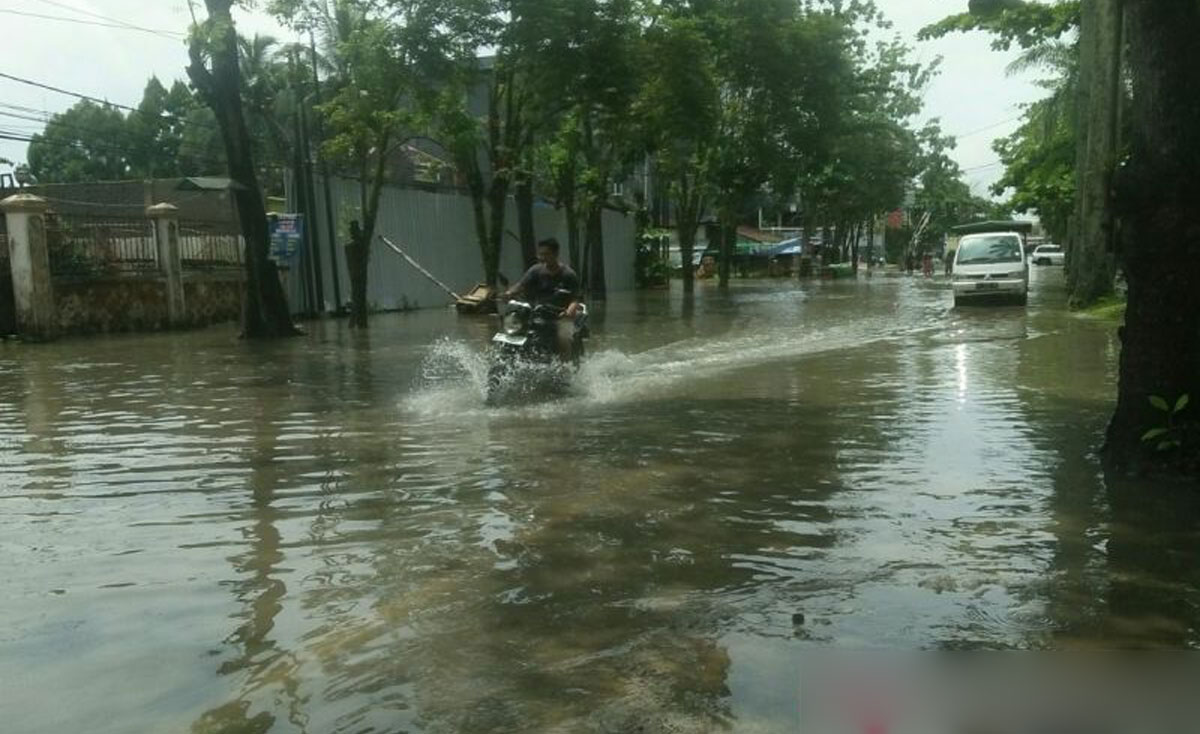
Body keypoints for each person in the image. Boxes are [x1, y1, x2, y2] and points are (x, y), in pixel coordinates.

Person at [502, 238, 582, 360]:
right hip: (536, 313)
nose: (542, 257)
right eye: (540, 254)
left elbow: (575, 298)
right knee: (514, 331)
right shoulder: (536, 270)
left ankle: (566, 368)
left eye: (546, 254)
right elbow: (521, 285)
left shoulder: (568, 275)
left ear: (555, 254)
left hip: (560, 315)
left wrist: (568, 312)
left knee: (564, 338)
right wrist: (509, 293)